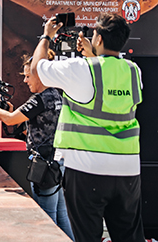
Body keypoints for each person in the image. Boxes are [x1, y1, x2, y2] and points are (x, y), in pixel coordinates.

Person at [32, 14, 143, 242]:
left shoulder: (80, 69)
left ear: (99, 39)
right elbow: (107, 77)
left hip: (87, 170)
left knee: (87, 237)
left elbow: (37, 70)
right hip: (128, 170)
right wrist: (94, 55)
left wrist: (46, 36)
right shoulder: (134, 72)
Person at [0, 53, 74, 239]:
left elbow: (10, 120)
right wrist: (7, 112)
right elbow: (29, 126)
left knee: (47, 219)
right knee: (62, 216)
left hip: (44, 166)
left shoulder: (39, 99)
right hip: (58, 162)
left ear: (40, 76)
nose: (25, 81)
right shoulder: (57, 95)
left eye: (27, 76)